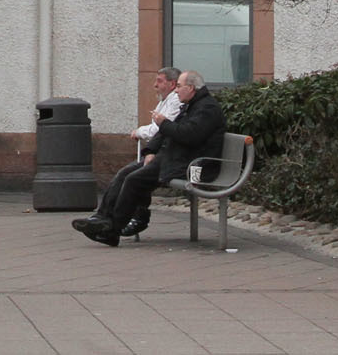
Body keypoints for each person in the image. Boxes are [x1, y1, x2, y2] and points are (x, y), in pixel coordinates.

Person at [74, 71, 226, 247]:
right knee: (126, 172)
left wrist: (164, 123)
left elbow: (190, 136)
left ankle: (112, 229)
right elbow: (165, 133)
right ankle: (101, 217)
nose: (176, 91)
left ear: (190, 88)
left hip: (194, 166)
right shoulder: (192, 105)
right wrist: (150, 151)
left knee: (135, 180)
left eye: (178, 86)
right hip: (177, 158)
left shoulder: (207, 108)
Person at [124, 67, 184, 235]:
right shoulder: (164, 100)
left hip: (170, 157)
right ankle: (112, 216)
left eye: (159, 81)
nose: (154, 85)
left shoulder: (176, 103)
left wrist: (140, 133)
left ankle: (133, 218)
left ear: (172, 84)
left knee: (135, 177)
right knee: (129, 174)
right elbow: (159, 128)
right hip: (161, 152)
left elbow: (163, 129)